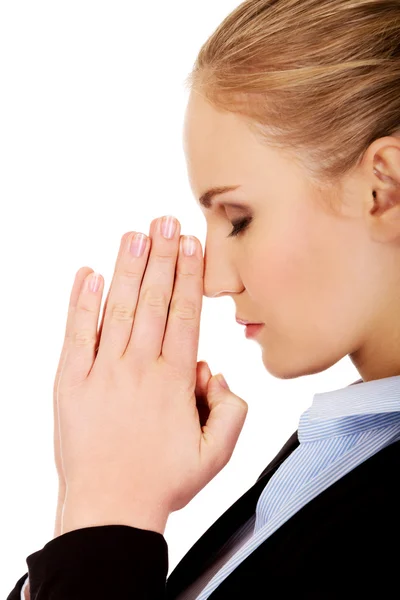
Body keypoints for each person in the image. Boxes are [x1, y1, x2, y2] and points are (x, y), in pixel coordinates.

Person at [8, 1, 400, 598]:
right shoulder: (348, 445)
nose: (214, 279)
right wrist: (90, 500)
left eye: (239, 219)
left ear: (384, 188)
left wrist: (110, 517)